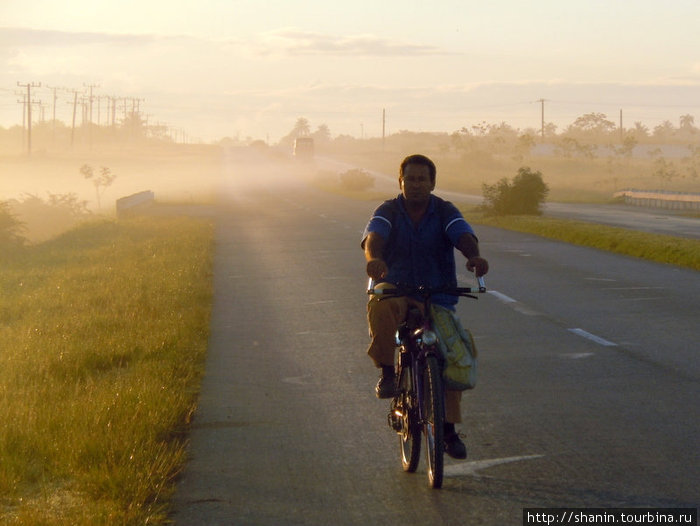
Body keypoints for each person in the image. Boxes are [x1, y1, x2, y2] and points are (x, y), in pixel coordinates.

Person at [361, 154, 489, 459]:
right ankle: (388, 373)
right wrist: (375, 260)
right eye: (411, 179)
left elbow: (463, 234)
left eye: (423, 179)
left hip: (437, 294)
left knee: (452, 355)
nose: (416, 185)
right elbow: (373, 238)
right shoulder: (388, 210)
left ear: (432, 183)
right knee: (380, 306)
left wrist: (474, 257)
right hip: (398, 290)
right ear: (401, 181)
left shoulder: (444, 211)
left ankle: (448, 432)